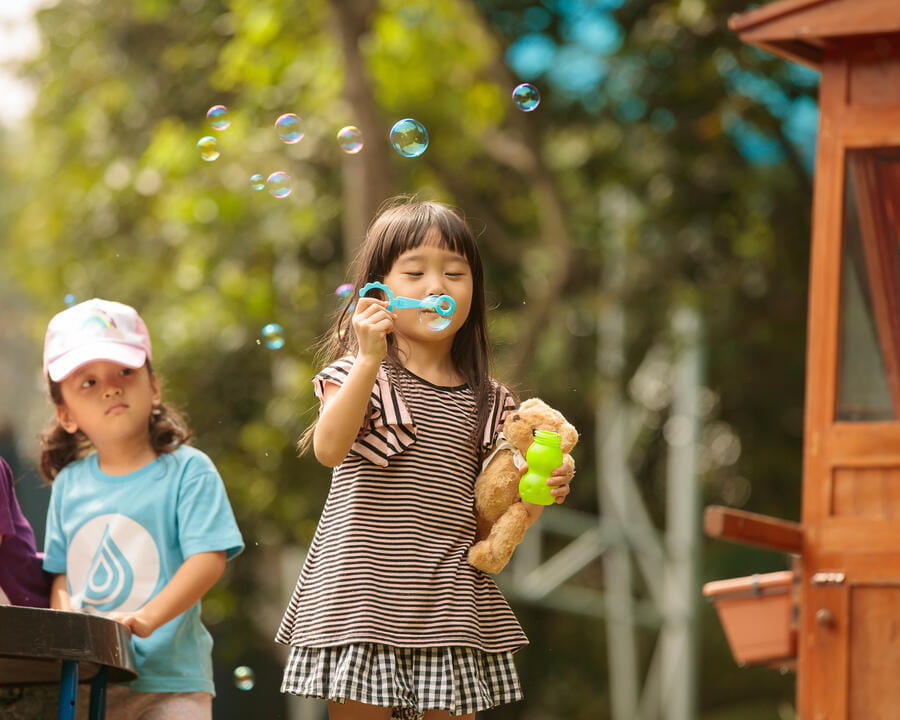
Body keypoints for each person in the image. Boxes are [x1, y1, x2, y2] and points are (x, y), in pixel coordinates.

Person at [276, 199, 575, 720]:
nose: (436, 286)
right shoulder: (360, 373)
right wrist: (369, 357)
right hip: (362, 597)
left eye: (455, 273)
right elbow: (329, 450)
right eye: (414, 272)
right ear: (379, 291)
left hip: (451, 604)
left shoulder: (492, 401)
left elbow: (495, 513)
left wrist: (541, 487)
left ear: (474, 292)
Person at [39, 298, 244, 720]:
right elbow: (60, 573)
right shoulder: (69, 485)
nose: (111, 387)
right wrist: (69, 629)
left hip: (171, 683)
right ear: (66, 414)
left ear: (154, 387)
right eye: (88, 382)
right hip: (89, 678)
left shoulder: (188, 470)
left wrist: (145, 620)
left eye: (125, 372)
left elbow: (209, 558)